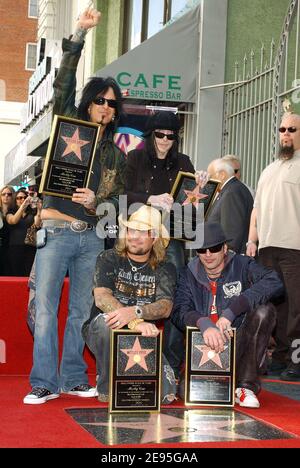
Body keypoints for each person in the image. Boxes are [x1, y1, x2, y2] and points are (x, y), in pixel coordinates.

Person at [24, 6, 126, 405]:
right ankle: (43, 382)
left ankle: (71, 377)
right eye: (101, 100)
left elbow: (116, 202)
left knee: (80, 312)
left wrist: (98, 199)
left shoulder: (117, 153)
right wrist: (80, 35)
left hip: (92, 239)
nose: (106, 107)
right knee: (47, 311)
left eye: (112, 104)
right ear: (88, 102)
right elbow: (63, 83)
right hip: (57, 229)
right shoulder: (67, 123)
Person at [125, 110, 208, 381]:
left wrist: (201, 188)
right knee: (134, 290)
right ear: (150, 135)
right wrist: (151, 198)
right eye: (159, 135)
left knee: (173, 297)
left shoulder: (183, 161)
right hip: (139, 235)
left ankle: (170, 366)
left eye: (170, 136)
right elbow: (121, 194)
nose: (164, 140)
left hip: (171, 237)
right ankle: (130, 358)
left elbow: (190, 204)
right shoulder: (135, 157)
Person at [171, 222, 283, 408]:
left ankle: (245, 385)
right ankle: (225, 383)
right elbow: (179, 311)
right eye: (201, 249)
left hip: (239, 343)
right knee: (186, 393)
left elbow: (275, 281)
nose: (207, 255)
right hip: (204, 346)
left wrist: (232, 311)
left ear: (224, 248)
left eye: (213, 248)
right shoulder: (188, 273)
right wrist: (203, 323)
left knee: (264, 311)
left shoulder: (242, 264)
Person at [82, 205, 177, 403]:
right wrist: (134, 321)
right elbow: (101, 298)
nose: (134, 237)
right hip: (108, 329)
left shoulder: (165, 267)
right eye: (131, 230)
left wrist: (136, 312)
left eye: (143, 232)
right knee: (106, 322)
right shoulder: (108, 258)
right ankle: (107, 383)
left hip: (143, 334)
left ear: (155, 238)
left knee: (167, 394)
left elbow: (165, 307)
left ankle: (125, 374)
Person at [247, 112, 300, 382]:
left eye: (292, 129)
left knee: (296, 306)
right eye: (282, 129)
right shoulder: (269, 169)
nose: (286, 133)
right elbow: (256, 209)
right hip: (267, 246)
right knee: (274, 305)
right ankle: (279, 358)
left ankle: (296, 361)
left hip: (295, 246)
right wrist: (251, 240)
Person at [206, 158, 253, 254]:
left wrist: (227, 257)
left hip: (231, 259)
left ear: (222, 175)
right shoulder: (231, 189)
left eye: (211, 176)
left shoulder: (232, 192)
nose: (209, 180)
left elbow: (232, 230)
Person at [6, 189, 42, 276]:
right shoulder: (10, 212)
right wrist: (23, 206)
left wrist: (39, 209)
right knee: (16, 273)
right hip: (15, 247)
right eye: (19, 198)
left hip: (30, 247)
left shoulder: (31, 213)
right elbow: (13, 220)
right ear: (15, 200)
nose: (22, 199)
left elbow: (37, 225)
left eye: (25, 197)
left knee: (28, 273)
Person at [0, 185, 15, 275]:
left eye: (9, 194)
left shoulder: (16, 211)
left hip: (14, 247)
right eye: (3, 194)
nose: (6, 196)